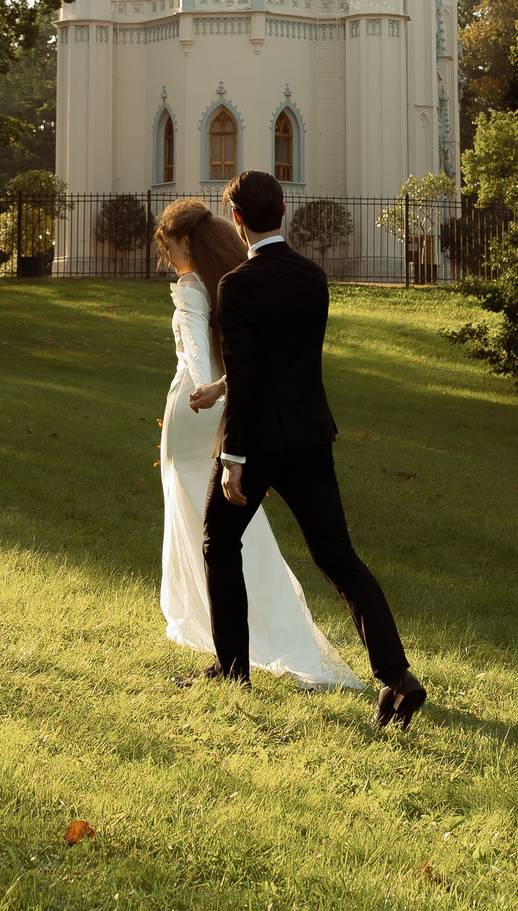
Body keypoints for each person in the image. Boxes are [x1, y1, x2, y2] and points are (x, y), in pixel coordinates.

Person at [203, 170, 427, 728]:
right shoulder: (313, 277)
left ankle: (231, 669)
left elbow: (249, 378)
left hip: (258, 446)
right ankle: (397, 678)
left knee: (218, 542)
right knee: (339, 558)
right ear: (282, 208)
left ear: (237, 220)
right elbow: (291, 366)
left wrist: (233, 460)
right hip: (309, 439)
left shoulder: (237, 285)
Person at [153, 200, 359, 689]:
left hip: (196, 413)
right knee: (238, 535)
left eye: (167, 245)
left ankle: (229, 651)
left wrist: (205, 387)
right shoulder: (230, 275)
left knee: (210, 534)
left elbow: (199, 355)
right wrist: (218, 389)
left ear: (184, 242)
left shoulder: (191, 287)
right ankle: (253, 639)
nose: (167, 255)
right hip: (231, 411)